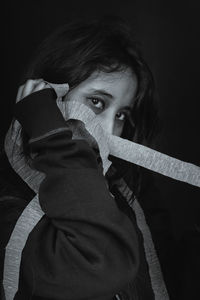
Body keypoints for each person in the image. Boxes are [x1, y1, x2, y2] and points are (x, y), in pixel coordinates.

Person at [0, 15, 169, 299]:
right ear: (48, 99)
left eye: (121, 115)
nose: (109, 130)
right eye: (97, 102)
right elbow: (103, 264)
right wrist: (53, 138)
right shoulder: (9, 208)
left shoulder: (129, 192)